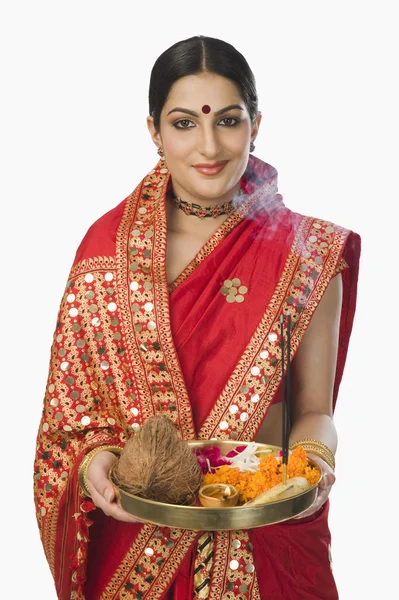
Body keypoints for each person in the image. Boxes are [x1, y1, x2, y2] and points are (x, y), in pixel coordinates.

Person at [33, 35, 360, 600]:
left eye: (228, 120)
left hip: (270, 539)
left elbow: (312, 411)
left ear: (256, 124)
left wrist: (314, 465)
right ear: (154, 132)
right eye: (184, 123)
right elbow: (72, 424)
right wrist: (93, 466)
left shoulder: (308, 251)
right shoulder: (105, 254)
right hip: (138, 546)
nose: (209, 145)